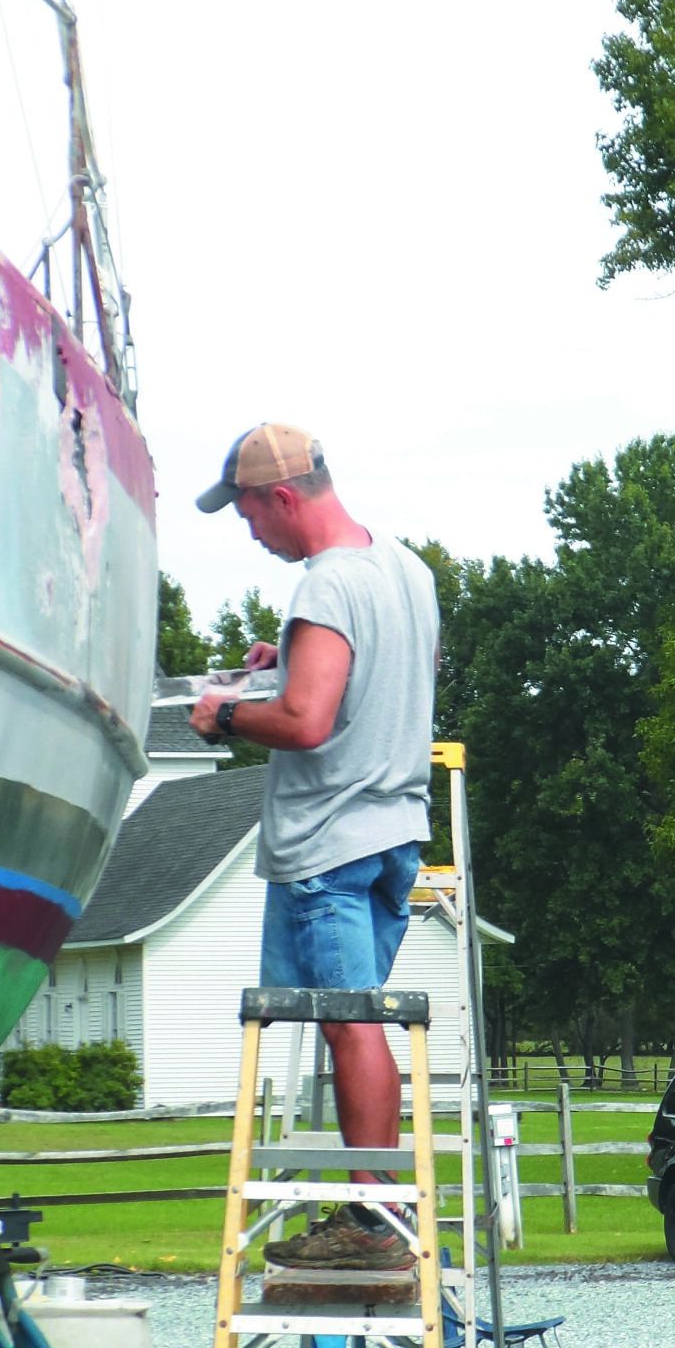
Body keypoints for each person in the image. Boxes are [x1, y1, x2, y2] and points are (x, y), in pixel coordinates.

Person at [190, 422, 439, 1269]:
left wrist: (225, 711)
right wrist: (287, 659)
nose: (250, 533)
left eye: (249, 515)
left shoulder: (327, 588)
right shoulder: (406, 570)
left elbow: (307, 720)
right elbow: (372, 683)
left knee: (349, 1020)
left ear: (282, 498)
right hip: (395, 830)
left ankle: (373, 1222)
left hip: (329, 843)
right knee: (351, 1017)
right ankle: (368, 1210)